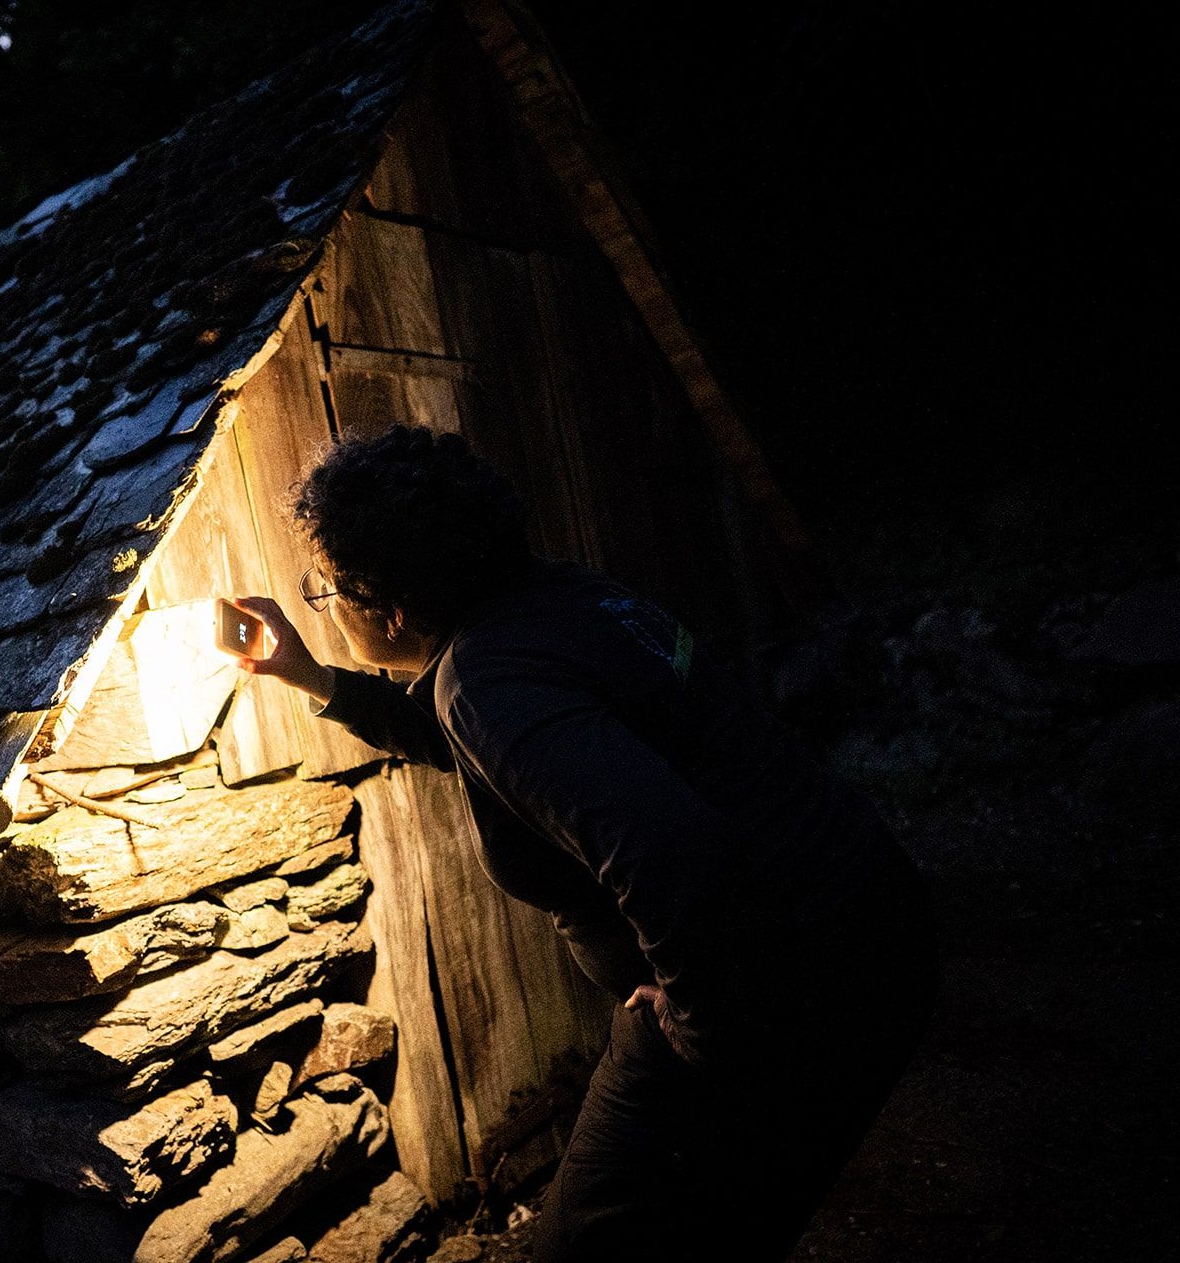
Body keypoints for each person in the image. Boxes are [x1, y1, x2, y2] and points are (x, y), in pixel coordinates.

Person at [229, 425, 935, 1261]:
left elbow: (672, 849)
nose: (325, 602)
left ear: (394, 608)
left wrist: (702, 1031)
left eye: (328, 589)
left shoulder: (485, 680)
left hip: (784, 982)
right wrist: (314, 678)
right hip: (860, 928)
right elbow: (492, 741)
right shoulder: (555, 603)